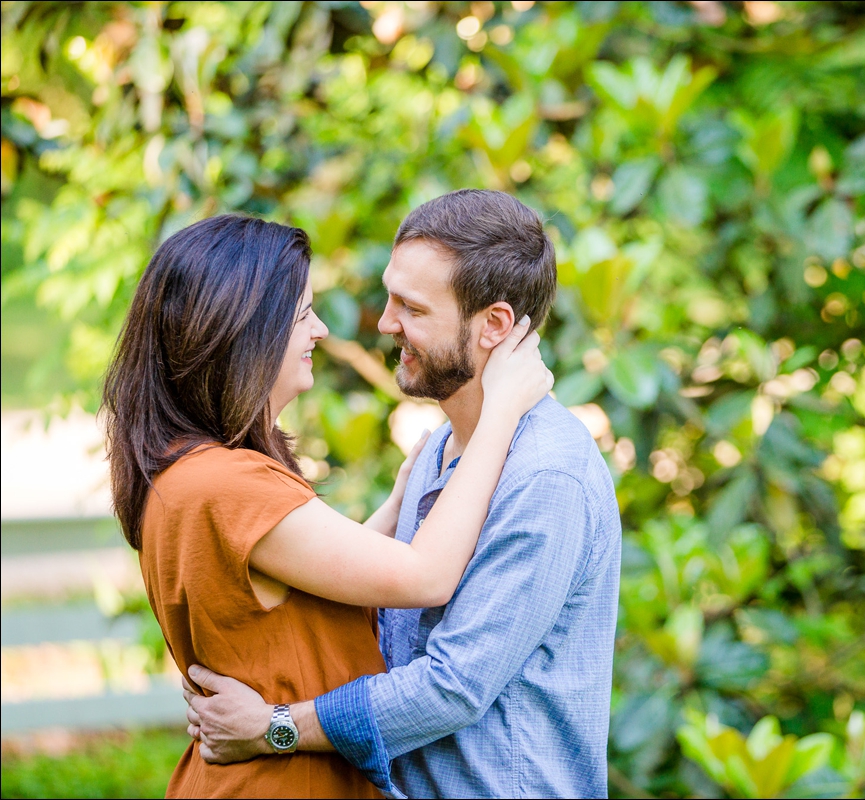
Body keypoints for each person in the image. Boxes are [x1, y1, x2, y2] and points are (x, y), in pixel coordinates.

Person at [183, 190, 623, 799]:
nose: (385, 323)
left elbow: (451, 687)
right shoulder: (440, 450)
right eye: (391, 297)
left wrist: (274, 728)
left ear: (493, 325)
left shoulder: (548, 478)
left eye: (412, 308)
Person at [102, 213, 552, 798]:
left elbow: (301, 593)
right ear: (242, 335)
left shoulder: (191, 473)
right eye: (299, 316)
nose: (318, 331)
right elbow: (428, 576)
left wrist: (395, 504)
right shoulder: (226, 485)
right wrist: (501, 412)